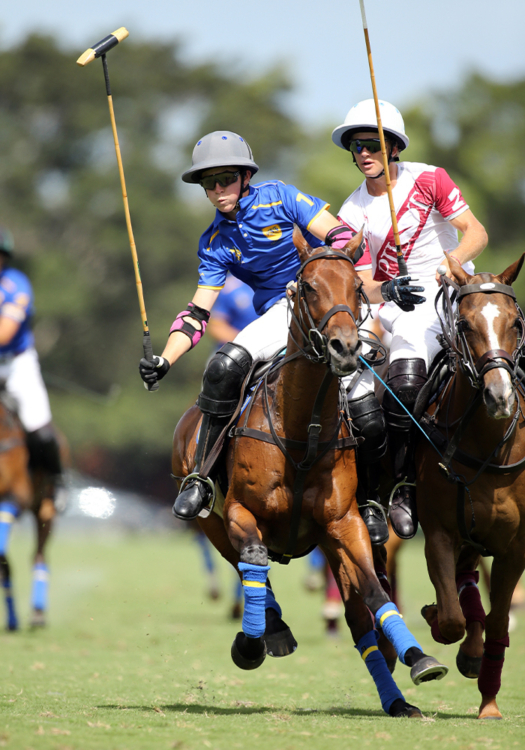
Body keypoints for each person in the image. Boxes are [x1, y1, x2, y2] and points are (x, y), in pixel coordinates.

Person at [139, 130, 389, 543]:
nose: (217, 190)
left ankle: (376, 498)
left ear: (244, 176)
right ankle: (201, 480)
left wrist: (313, 280)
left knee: (366, 405)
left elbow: (341, 238)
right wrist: (166, 359)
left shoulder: (282, 197)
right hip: (280, 315)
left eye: (225, 179)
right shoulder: (215, 242)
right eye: (208, 183)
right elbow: (198, 313)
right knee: (221, 367)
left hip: (327, 305)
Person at [331, 99, 488, 540]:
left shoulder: (430, 178)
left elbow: (476, 233)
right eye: (356, 146)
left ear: (394, 146)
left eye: (373, 145)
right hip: (399, 306)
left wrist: (451, 259)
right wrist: (389, 290)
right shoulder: (352, 211)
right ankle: (400, 484)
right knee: (390, 384)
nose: (364, 153)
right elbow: (361, 283)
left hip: (452, 292)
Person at [0, 228, 63, 539]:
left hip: (16, 364)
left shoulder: (15, 284)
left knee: (39, 427)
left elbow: (5, 332)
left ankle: (54, 485)